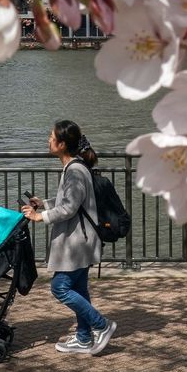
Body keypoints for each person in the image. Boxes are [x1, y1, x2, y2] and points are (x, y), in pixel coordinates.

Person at [21, 120, 117, 355]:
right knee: (79, 288)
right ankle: (84, 338)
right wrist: (43, 203)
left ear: (62, 144)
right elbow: (70, 202)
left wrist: (39, 216)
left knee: (60, 287)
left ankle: (102, 325)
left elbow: (69, 209)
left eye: (51, 137)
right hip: (81, 240)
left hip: (77, 242)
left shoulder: (74, 170)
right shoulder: (74, 167)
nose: (48, 140)